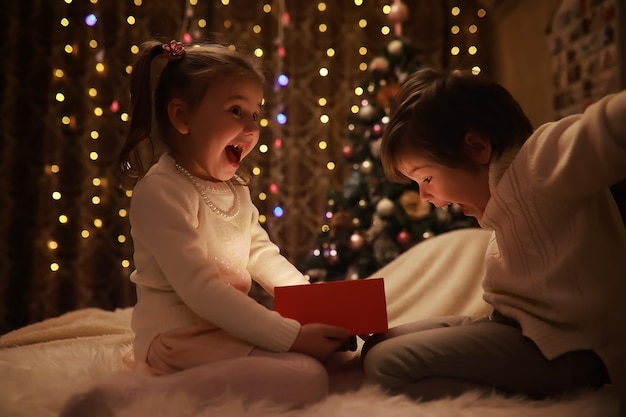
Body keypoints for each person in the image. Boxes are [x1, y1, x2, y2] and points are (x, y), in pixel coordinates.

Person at [59, 39, 352, 417]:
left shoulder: (237, 190)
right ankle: (131, 397)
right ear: (182, 117)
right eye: (236, 111)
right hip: (176, 339)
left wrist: (314, 308)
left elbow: (261, 255)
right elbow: (201, 289)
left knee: (331, 368)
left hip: (223, 332)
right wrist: (291, 336)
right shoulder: (160, 190)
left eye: (255, 114)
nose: (251, 127)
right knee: (307, 377)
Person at [360, 67, 626, 415]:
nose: (424, 195)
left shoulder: (539, 162)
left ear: (478, 147)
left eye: (426, 177)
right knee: (379, 342)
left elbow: (608, 128)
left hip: (565, 349)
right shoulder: (499, 195)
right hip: (511, 326)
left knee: (387, 365)